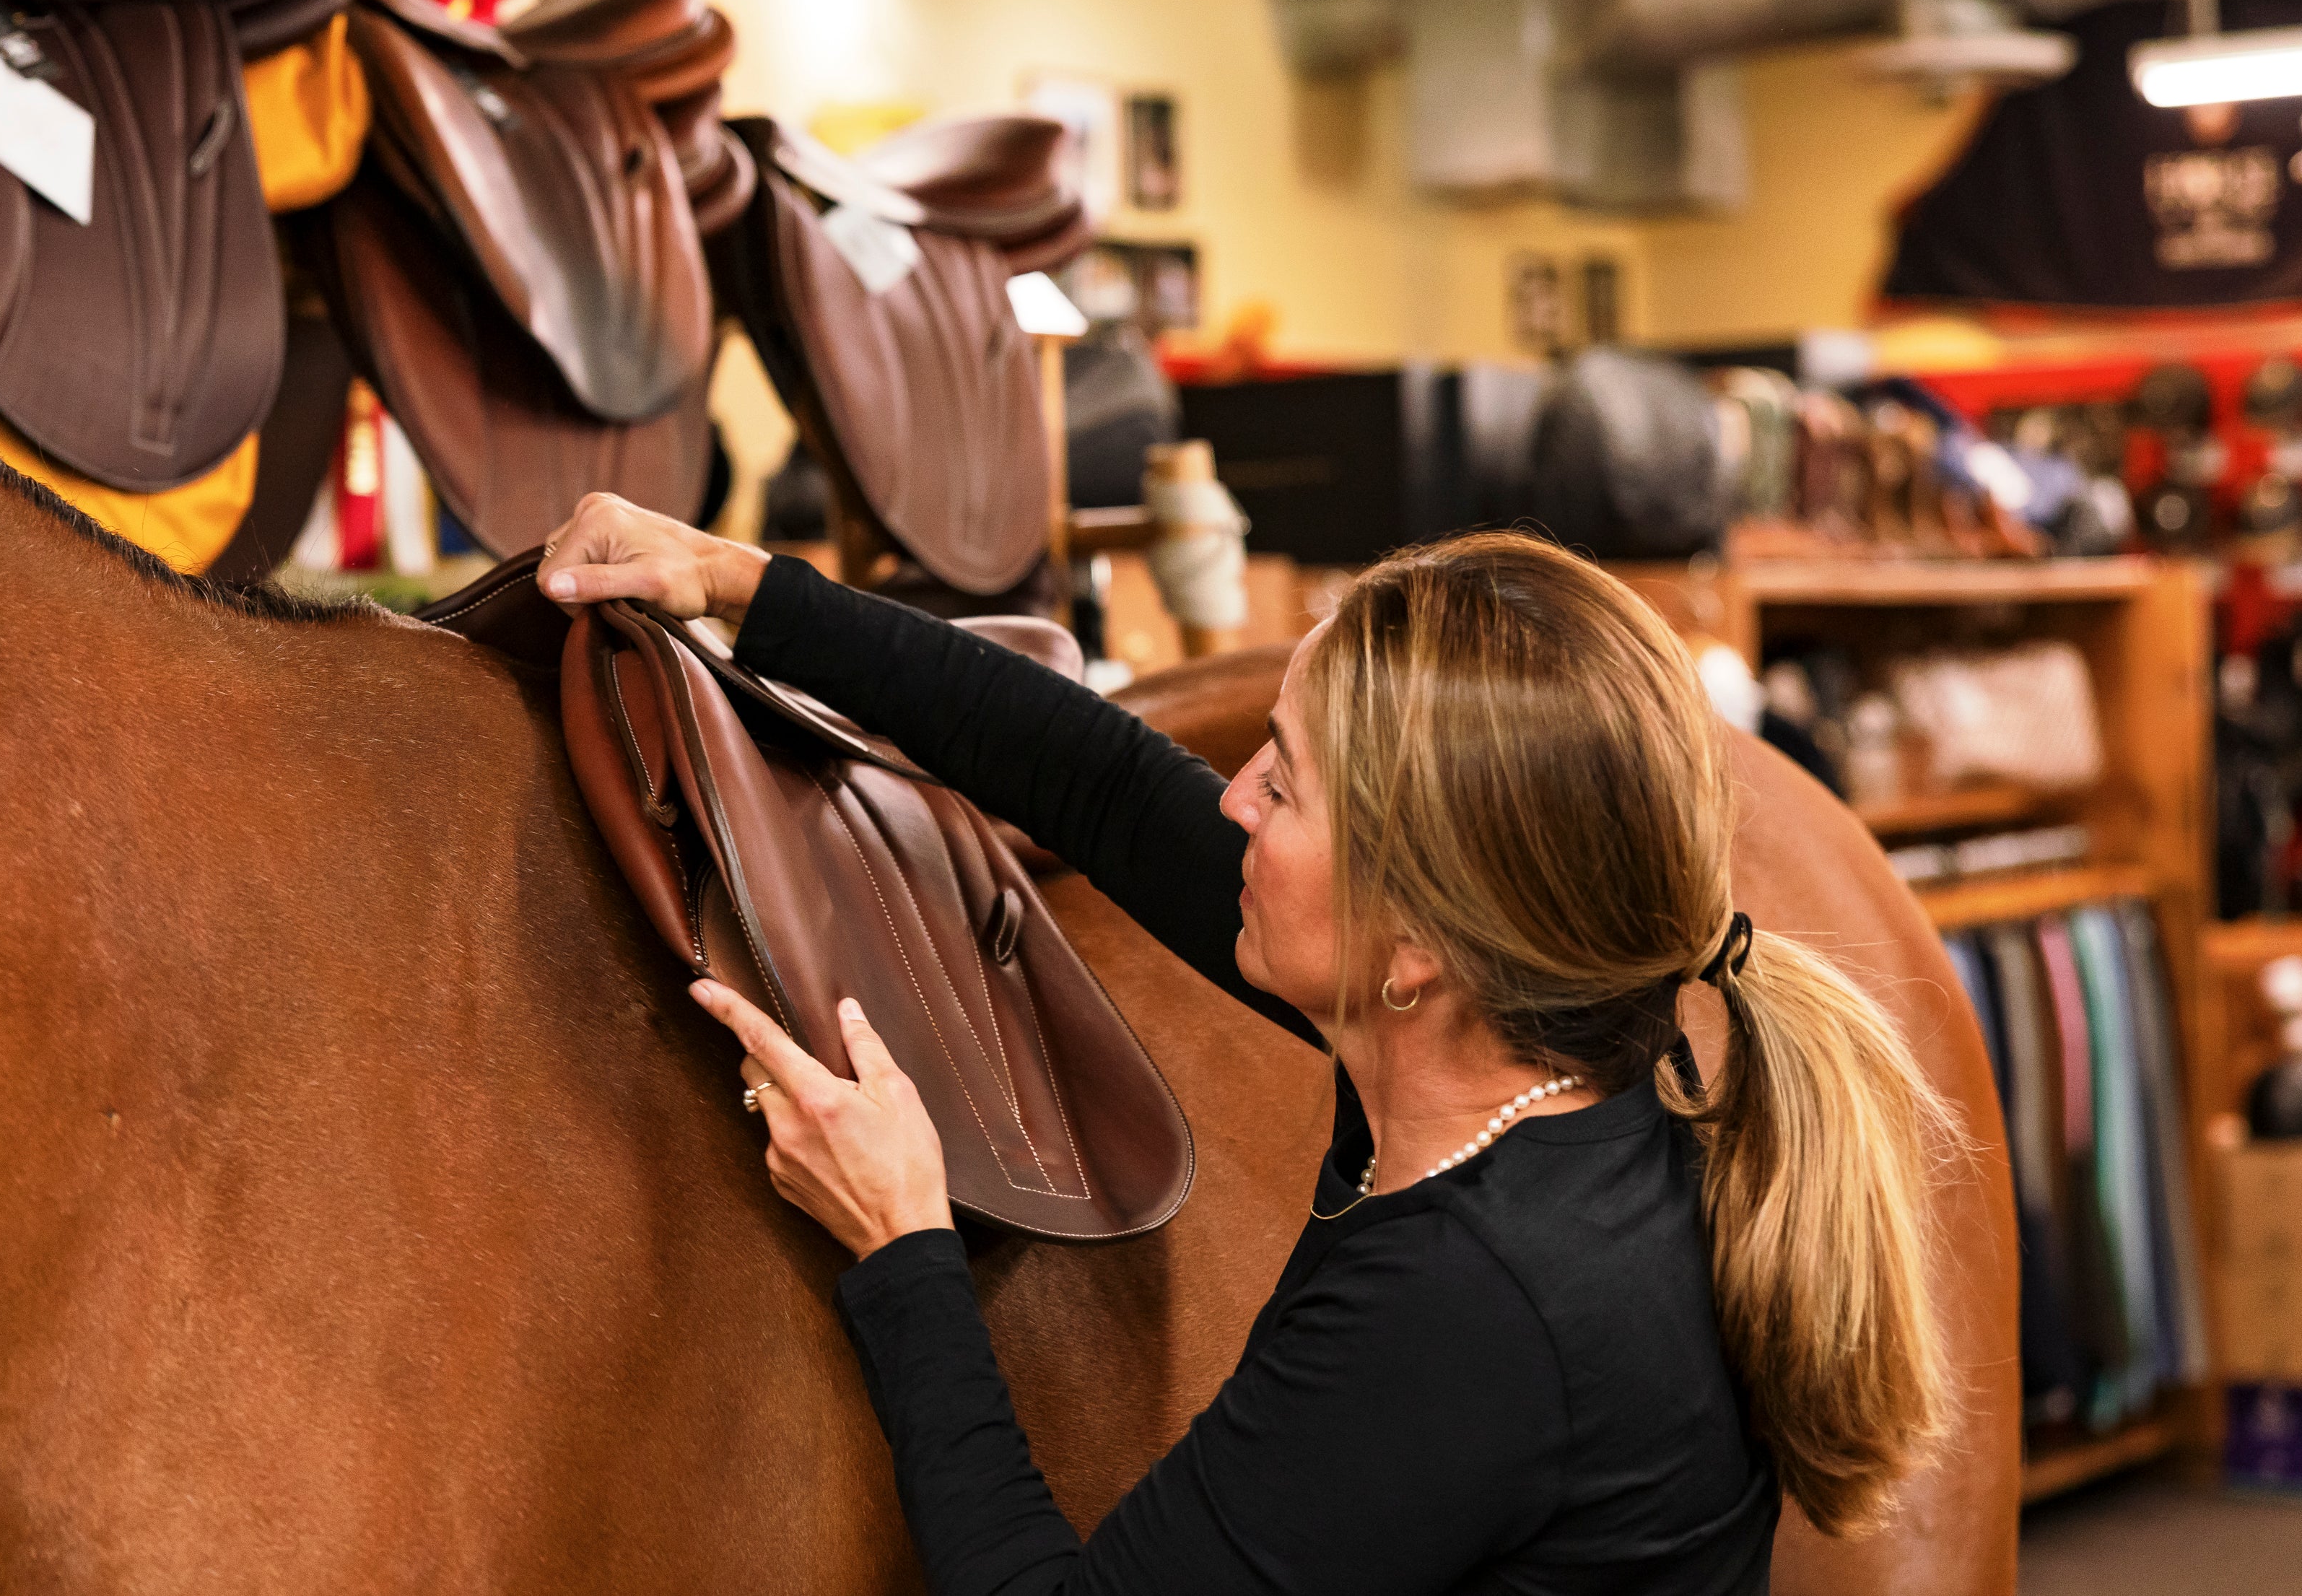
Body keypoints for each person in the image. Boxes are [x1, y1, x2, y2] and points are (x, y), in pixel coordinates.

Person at [538, 495, 1953, 1596]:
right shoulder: (1540, 1044)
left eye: (1283, 783)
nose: (1232, 805)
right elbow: (1101, 780)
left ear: (1412, 949)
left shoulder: (1469, 1306)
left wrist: (902, 1243)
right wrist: (743, 586)